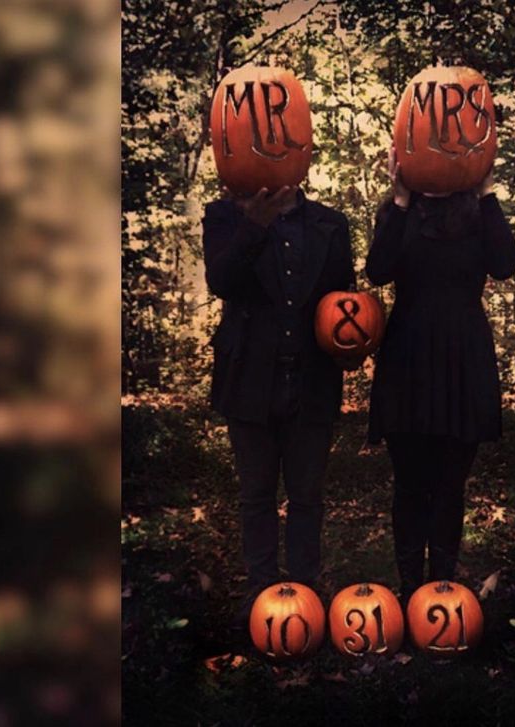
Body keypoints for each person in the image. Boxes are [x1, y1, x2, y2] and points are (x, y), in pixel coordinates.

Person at [366, 149, 515, 607]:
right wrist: (398, 201)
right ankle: (411, 589)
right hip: (409, 358)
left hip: (462, 358)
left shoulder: (476, 212)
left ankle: (442, 588)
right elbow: (378, 270)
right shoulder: (399, 211)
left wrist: (487, 191)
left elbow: (505, 263)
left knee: (451, 483)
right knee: (410, 483)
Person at [202, 185, 357, 625]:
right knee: (256, 494)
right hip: (249, 376)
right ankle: (262, 589)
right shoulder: (225, 215)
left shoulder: (331, 223)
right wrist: (256, 224)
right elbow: (221, 281)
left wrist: (352, 340)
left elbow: (345, 298)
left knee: (307, 494)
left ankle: (305, 590)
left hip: (312, 378)